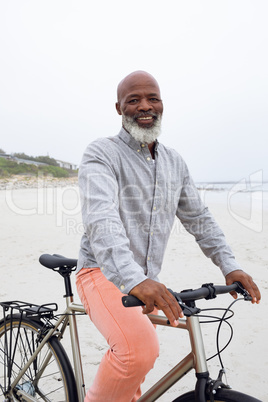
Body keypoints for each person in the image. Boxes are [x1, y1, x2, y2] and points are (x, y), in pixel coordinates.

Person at [76, 70, 261, 402]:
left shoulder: (175, 162)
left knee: (138, 358)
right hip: (101, 273)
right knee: (137, 351)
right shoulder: (101, 153)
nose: (145, 106)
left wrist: (229, 265)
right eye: (133, 100)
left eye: (153, 98)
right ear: (119, 108)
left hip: (145, 280)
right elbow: (101, 218)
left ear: (162, 104)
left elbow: (200, 219)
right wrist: (134, 279)